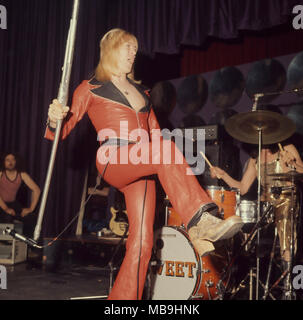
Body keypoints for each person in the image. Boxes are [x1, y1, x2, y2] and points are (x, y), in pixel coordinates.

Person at [45, 28, 243, 300]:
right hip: (114, 157)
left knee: (142, 244)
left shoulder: (143, 93)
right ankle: (200, 221)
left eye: (134, 50)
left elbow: (156, 137)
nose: (132, 54)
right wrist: (55, 118)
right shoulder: (89, 88)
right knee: (164, 150)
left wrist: (170, 166)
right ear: (111, 49)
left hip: (145, 164)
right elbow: (61, 131)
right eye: (127, 47)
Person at [210, 142, 303, 296]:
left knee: (286, 225)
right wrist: (223, 175)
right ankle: (240, 277)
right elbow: (243, 188)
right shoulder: (255, 158)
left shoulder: (287, 148)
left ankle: (288, 287)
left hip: (286, 200)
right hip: (265, 205)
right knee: (242, 223)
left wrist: (292, 163)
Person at [0, 152, 41, 237]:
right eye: (7, 160)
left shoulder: (22, 174)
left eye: (13, 159)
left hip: (13, 204)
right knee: (7, 218)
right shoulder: (1, 174)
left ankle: (27, 245)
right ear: (3, 162)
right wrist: (6, 208)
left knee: (30, 218)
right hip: (1, 204)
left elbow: (36, 190)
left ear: (16, 161)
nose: (10, 162)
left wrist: (31, 209)